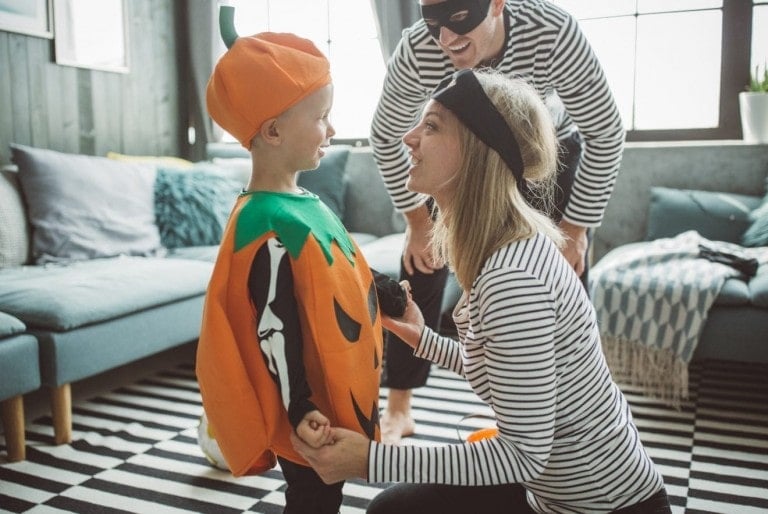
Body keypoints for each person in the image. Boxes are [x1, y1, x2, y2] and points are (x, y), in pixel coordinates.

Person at [292, 69, 670, 514]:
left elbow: (522, 455)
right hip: (551, 496)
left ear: (477, 151)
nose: (409, 138)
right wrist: (423, 338)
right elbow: (502, 368)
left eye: (430, 126)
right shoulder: (503, 250)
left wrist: (371, 458)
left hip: (605, 507)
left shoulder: (513, 278)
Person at [373, 0, 625, 444]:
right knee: (421, 263)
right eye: (433, 24)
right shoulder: (419, 47)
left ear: (495, 4)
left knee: (565, 271)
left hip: (545, 156)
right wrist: (416, 220)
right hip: (463, 157)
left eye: (459, 21)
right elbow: (385, 131)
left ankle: (578, 417)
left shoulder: (552, 32)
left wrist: (577, 230)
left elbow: (605, 131)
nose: (446, 40)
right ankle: (399, 406)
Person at [196, 30, 404, 514]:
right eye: (322, 118)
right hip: (308, 402)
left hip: (332, 389)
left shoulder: (303, 202)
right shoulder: (264, 222)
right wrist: (300, 407)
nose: (332, 130)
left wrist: (384, 289)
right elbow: (274, 322)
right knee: (314, 498)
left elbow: (337, 266)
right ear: (273, 132)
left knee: (327, 492)